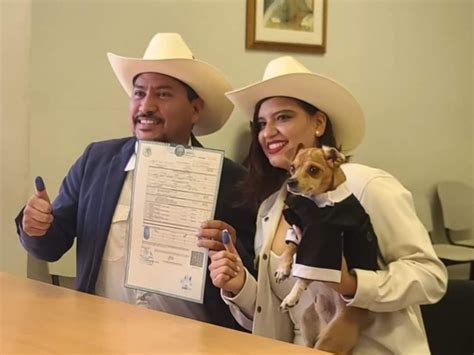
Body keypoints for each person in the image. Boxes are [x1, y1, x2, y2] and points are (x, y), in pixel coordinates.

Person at [205, 56, 448, 353]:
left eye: (283, 117)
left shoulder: (367, 186)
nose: (267, 133)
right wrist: (239, 284)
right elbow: (280, 314)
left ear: (319, 123)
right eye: (261, 123)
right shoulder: (271, 208)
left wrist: (353, 286)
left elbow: (430, 276)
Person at [15, 33, 256, 331]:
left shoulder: (232, 181)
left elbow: (253, 286)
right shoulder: (96, 161)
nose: (146, 106)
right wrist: (35, 227)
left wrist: (231, 255)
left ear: (195, 109)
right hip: (98, 335)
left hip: (193, 340)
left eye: (163, 94)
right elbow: (50, 245)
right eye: (139, 93)